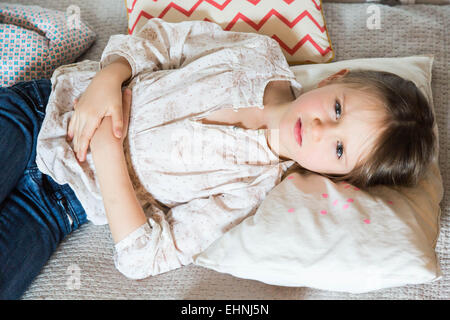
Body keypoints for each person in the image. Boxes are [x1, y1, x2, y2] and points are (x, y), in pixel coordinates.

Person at [0, 18, 435, 299]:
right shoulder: (257, 54)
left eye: (339, 149)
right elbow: (159, 42)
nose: (321, 129)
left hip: (56, 206)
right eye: (337, 109)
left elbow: (144, 257)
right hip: (44, 110)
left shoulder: (250, 191)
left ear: (341, 177)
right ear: (336, 78)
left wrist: (108, 150)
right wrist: (107, 80)